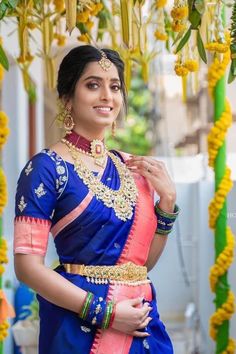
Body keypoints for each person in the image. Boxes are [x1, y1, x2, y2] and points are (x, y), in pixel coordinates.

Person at [13, 45, 179, 354]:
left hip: (140, 322)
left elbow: (140, 266)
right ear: (67, 98)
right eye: (93, 85)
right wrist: (107, 313)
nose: (107, 95)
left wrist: (167, 204)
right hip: (80, 328)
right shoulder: (46, 168)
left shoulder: (134, 169)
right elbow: (27, 268)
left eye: (114, 87)